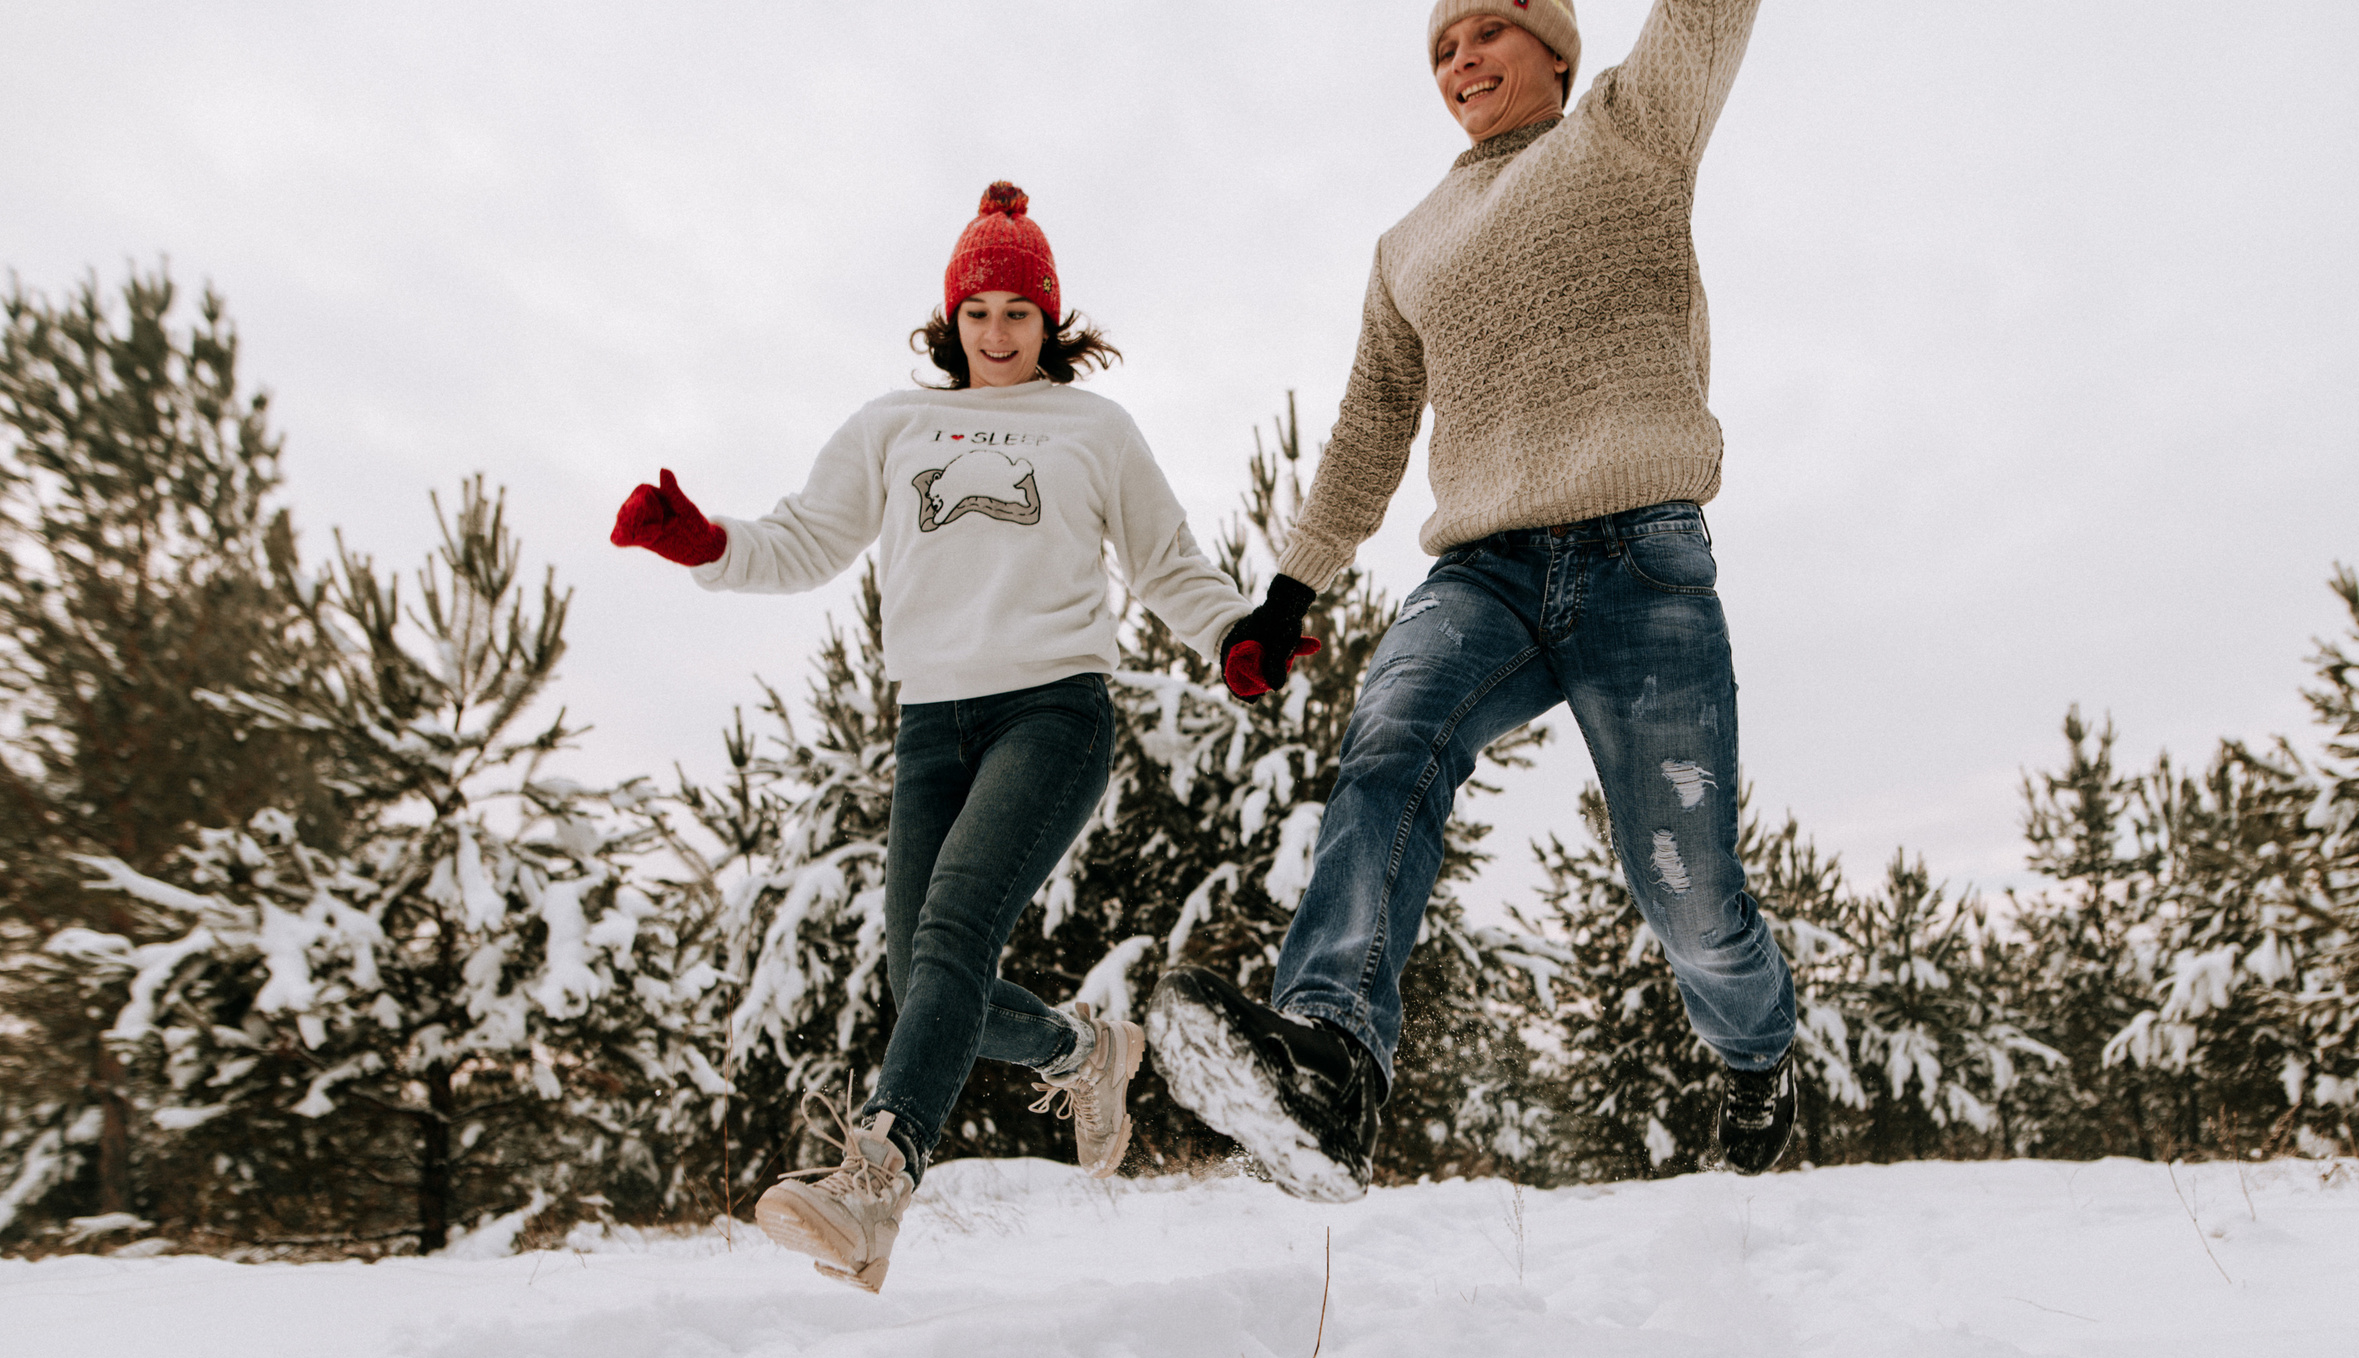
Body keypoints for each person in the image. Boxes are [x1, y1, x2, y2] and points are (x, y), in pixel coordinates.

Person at [1150, 0, 1799, 1201]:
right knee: (1389, 745)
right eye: (1443, 48)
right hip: (1483, 571)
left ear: (1557, 50)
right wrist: (1289, 594)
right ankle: (1330, 1063)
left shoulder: (1628, 127)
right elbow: (1371, 425)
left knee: (1689, 892)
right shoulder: (1407, 246)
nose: (1461, 60)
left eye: (1489, 33)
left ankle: (1755, 1053)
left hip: (1641, 554)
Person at [612, 183, 1253, 1289]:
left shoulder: (1095, 428)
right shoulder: (892, 426)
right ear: (948, 321)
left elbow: (1164, 563)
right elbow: (807, 541)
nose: (998, 333)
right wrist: (705, 541)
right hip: (928, 727)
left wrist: (1237, 635)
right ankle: (1084, 1051)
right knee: (927, 987)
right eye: (978, 312)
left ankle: (876, 1182)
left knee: (953, 929)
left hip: (1052, 708)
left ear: (1052, 318)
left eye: (1019, 310)